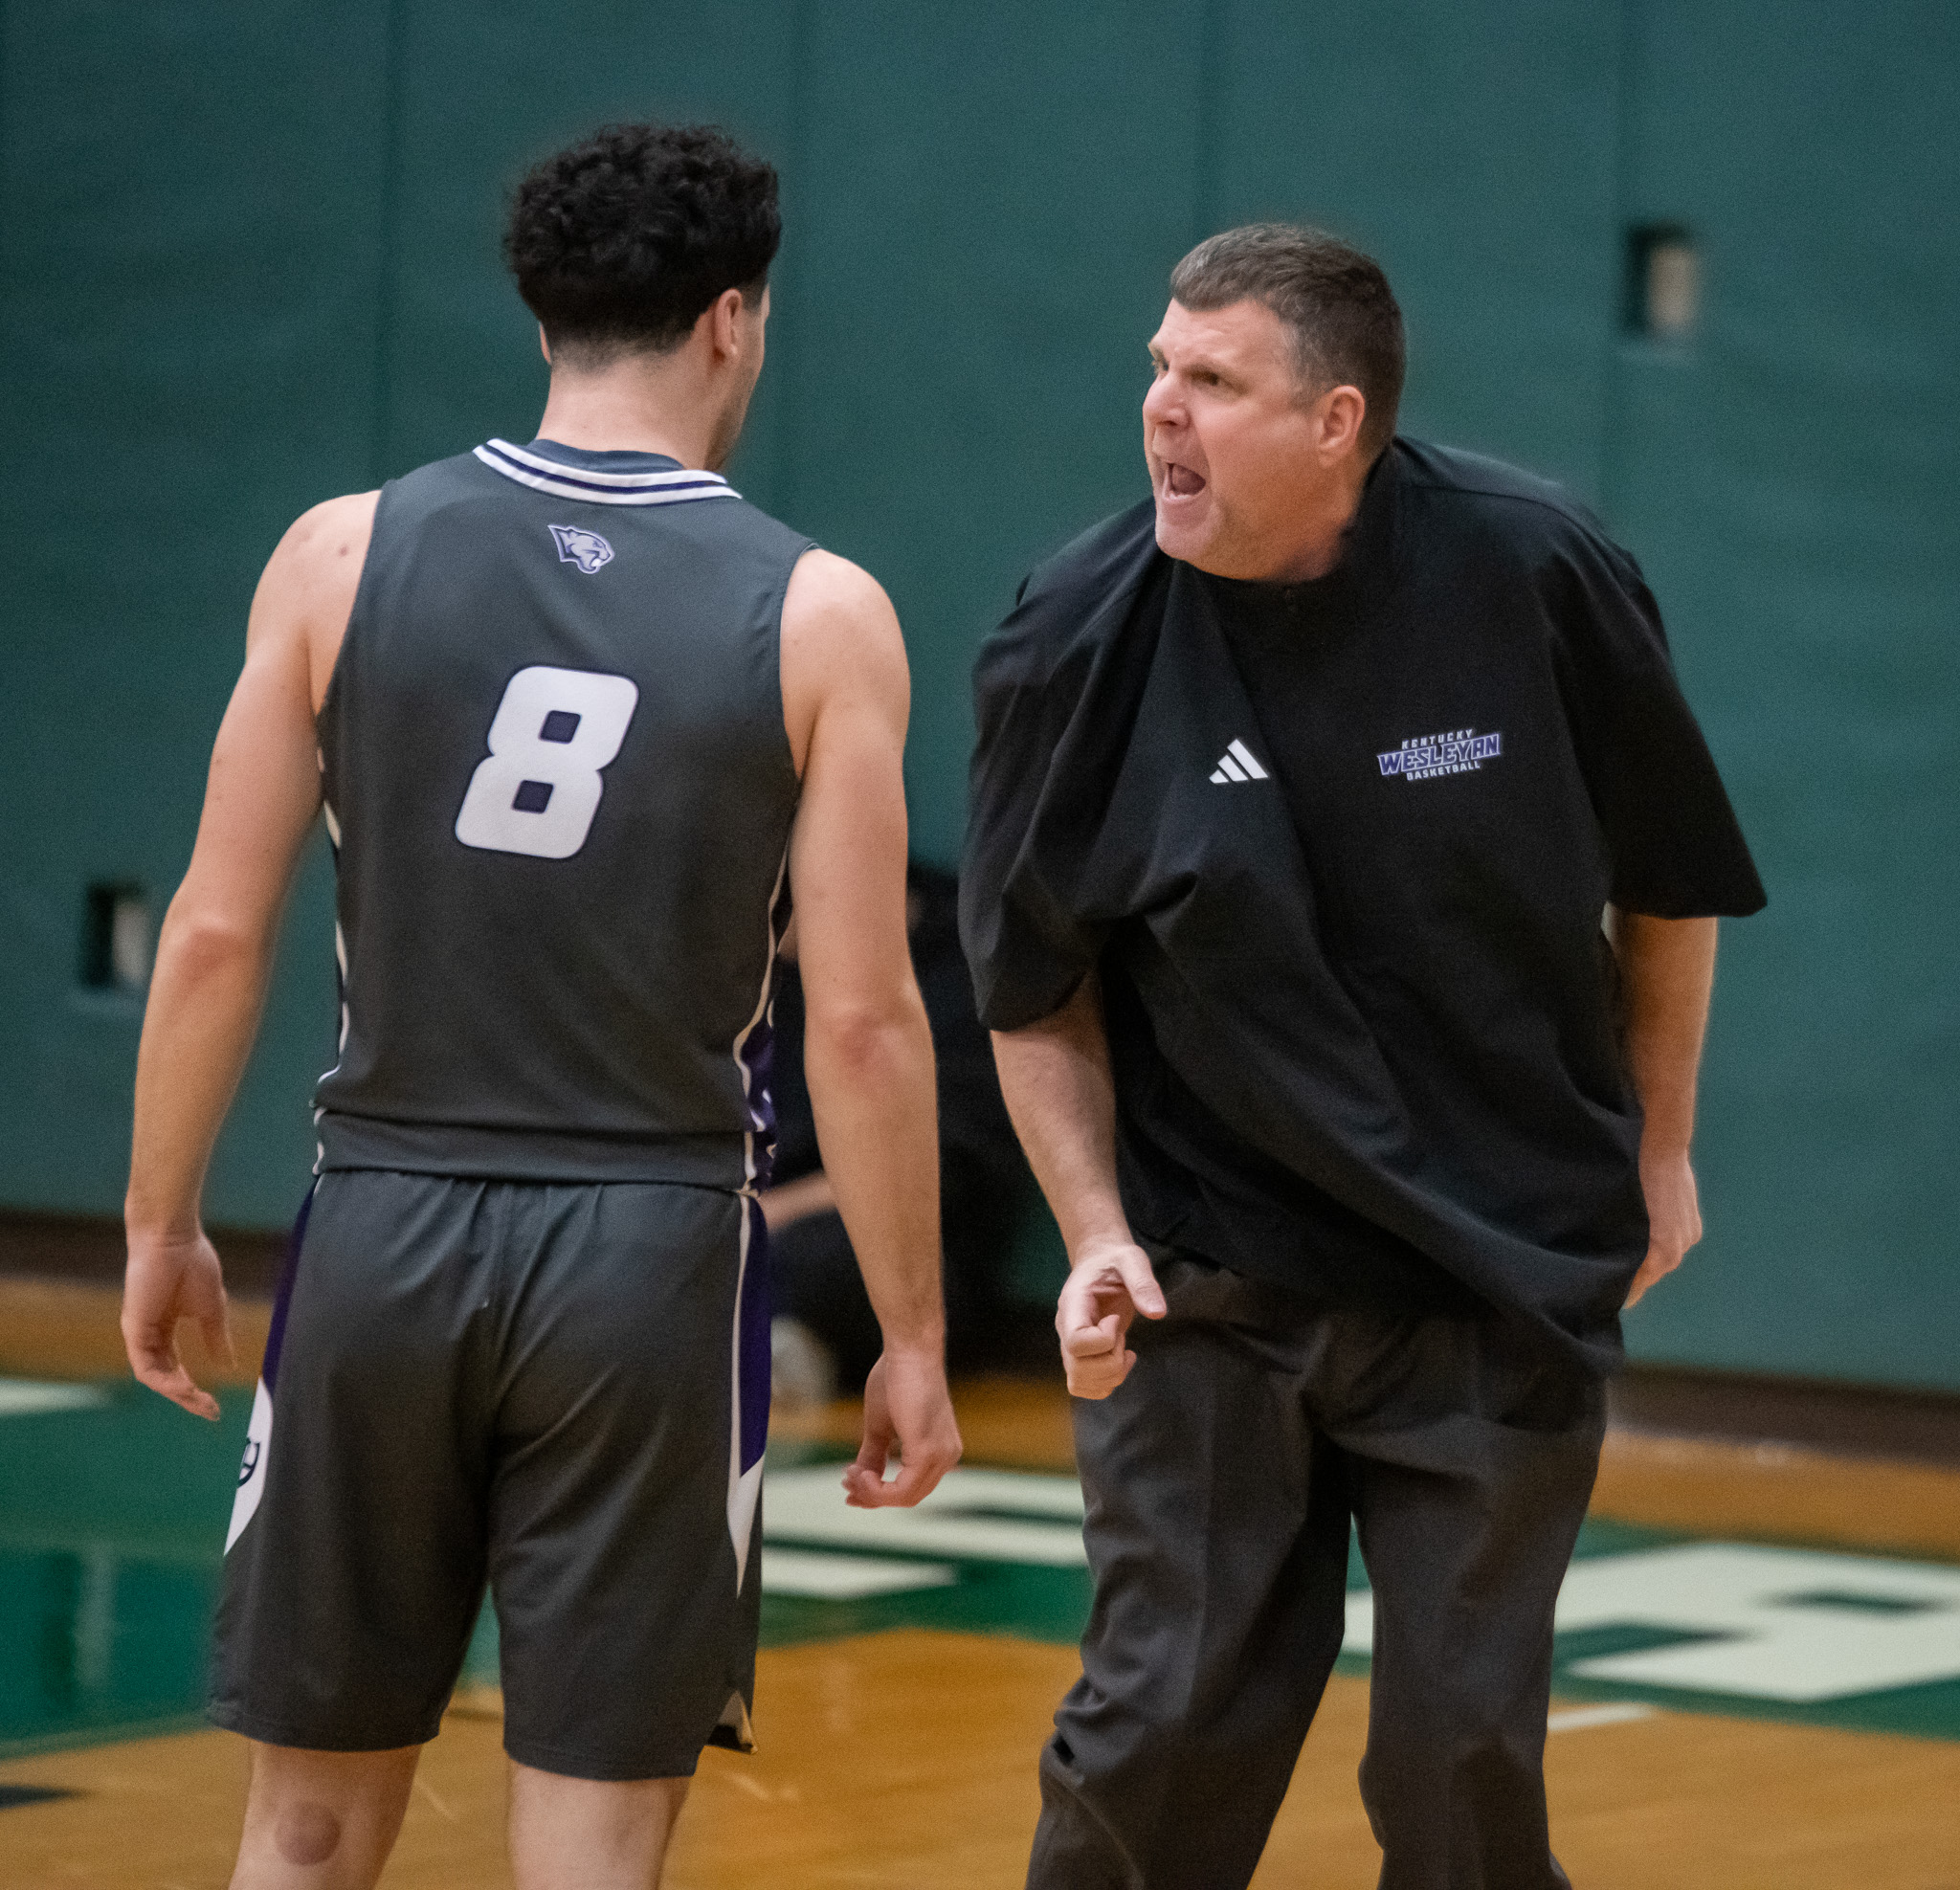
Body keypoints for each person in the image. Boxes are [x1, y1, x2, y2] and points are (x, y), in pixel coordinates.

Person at [120, 122, 960, 1890]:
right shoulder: (820, 614)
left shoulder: (338, 556)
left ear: (540, 308)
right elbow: (868, 1023)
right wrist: (909, 1329)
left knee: (309, 1820)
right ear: (732, 318)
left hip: (380, 1226)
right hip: (650, 1254)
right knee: (589, 1841)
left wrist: (158, 1218)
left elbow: (210, 930)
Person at [960, 223, 1765, 1890]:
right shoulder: (1072, 635)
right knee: (1157, 1738)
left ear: (1337, 422)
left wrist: (1660, 1145)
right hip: (1206, 1290)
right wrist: (1095, 1228)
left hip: (1488, 1276)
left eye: (1210, 380)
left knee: (1458, 1768)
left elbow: (1672, 880)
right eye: (1155, 369)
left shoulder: (1533, 569)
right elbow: (1033, 986)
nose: (1158, 410)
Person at [764, 860, 1036, 1400]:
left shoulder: (969, 941)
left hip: (905, 1235)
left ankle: (774, 1353)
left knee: (854, 1256)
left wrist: (768, 1215)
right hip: (733, 1217)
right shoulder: (716, 955)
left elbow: (954, 1160)